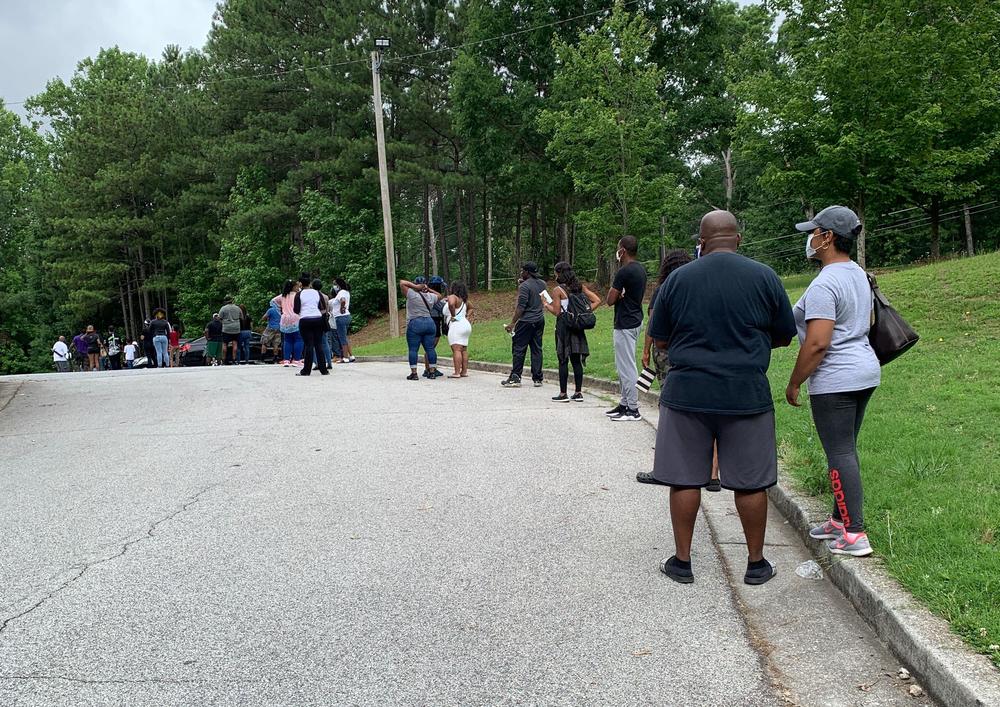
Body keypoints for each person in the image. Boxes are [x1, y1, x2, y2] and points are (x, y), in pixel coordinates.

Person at [649, 210, 795, 586]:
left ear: (701, 240)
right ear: (738, 239)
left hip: (687, 393)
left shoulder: (678, 280)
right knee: (750, 482)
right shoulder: (764, 276)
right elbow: (784, 334)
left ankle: (682, 563)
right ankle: (756, 564)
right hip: (745, 392)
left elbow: (661, 338)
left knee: (684, 479)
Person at [787, 206, 880, 557]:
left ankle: (855, 533)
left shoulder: (826, 282)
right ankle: (839, 520)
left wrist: (795, 382)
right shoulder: (857, 273)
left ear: (827, 237)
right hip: (864, 371)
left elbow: (818, 342)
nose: (809, 239)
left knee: (840, 451)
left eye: (814, 232)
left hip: (836, 378)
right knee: (844, 449)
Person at [635, 250, 722, 492]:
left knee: (671, 410)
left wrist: (645, 351)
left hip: (669, 355)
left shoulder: (665, 289)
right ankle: (713, 473)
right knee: (710, 411)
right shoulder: (701, 285)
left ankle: (670, 468)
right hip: (701, 354)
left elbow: (654, 326)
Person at [545, 262, 601, 401]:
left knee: (563, 359)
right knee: (576, 360)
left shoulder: (558, 290)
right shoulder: (579, 287)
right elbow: (597, 300)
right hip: (577, 327)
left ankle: (563, 393)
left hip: (564, 327)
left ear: (559, 273)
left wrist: (546, 304)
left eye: (555, 272)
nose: (555, 275)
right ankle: (578, 392)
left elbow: (557, 312)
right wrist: (582, 313)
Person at [605, 235, 647, 421]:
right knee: (623, 365)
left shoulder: (624, 272)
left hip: (625, 323)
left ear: (623, 251)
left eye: (618, 248)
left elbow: (609, 300)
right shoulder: (640, 270)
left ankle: (632, 408)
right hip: (636, 319)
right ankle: (624, 403)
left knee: (627, 367)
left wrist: (618, 294)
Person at [500, 262, 548, 388]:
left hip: (526, 321)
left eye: (522, 271)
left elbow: (521, 307)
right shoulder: (543, 283)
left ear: (527, 272)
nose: (521, 273)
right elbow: (546, 300)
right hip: (539, 319)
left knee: (519, 348)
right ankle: (537, 378)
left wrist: (512, 323)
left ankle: (515, 376)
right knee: (537, 348)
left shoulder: (525, 286)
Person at [400, 277, 442, 381]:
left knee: (413, 349)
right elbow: (440, 296)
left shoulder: (411, 294)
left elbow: (402, 283)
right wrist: (429, 289)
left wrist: (415, 287)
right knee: (430, 348)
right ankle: (432, 372)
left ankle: (414, 373)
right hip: (429, 322)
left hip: (415, 323)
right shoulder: (431, 297)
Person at [293, 276, 329, 376]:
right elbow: (323, 307)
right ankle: (324, 370)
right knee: (318, 344)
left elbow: (296, 309)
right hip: (318, 318)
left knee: (309, 344)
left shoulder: (299, 294)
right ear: (310, 283)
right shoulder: (317, 293)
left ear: (301, 284)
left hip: (305, 319)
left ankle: (306, 370)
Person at [445, 281, 473, 378]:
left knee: (456, 349)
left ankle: (456, 372)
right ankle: (464, 371)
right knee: (464, 349)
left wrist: (453, 315)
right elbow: (471, 308)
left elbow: (451, 304)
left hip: (456, 325)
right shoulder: (464, 300)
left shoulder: (452, 297)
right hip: (465, 324)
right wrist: (467, 316)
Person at [275, 280, 304, 367]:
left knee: (287, 340)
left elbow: (273, 301)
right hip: (295, 318)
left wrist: (280, 310)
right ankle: (296, 359)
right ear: (293, 287)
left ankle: (286, 360)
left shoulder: (283, 295)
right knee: (298, 339)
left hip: (285, 319)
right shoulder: (297, 295)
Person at [331, 277, 354, 363]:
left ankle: (345, 357)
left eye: (335, 284)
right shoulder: (346, 292)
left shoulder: (341, 292)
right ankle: (351, 355)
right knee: (345, 336)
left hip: (341, 317)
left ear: (338, 285)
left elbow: (343, 301)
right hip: (346, 316)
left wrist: (342, 308)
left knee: (342, 337)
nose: (334, 286)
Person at [218, 297, 242, 365]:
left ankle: (224, 360)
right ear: (232, 301)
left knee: (225, 344)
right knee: (235, 344)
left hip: (226, 328)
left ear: (226, 301)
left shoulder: (223, 308)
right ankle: (234, 360)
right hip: (236, 328)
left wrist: (224, 322)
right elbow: (241, 317)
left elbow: (219, 318)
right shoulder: (237, 308)